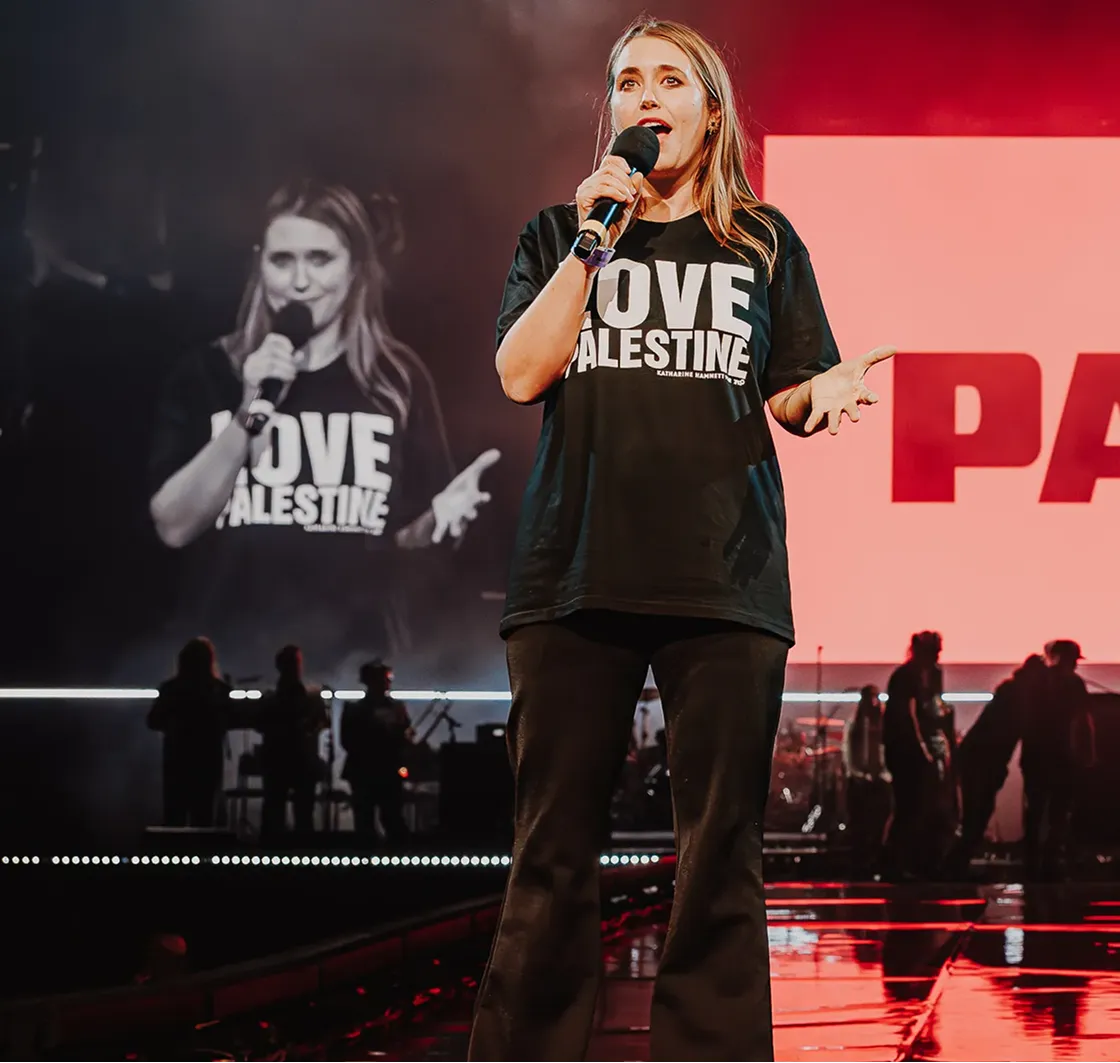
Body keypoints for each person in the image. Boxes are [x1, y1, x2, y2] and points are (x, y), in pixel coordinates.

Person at [466, 18, 895, 1063]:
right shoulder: (556, 232)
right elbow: (522, 372)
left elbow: (791, 388)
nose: (644, 94)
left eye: (669, 78)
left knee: (719, 859)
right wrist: (590, 242)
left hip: (723, 577)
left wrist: (819, 397)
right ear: (610, 110)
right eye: (625, 81)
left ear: (711, 110)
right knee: (550, 854)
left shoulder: (762, 240)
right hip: (573, 574)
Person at [147, 180, 500, 680]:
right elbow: (174, 525)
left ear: (355, 267)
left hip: (358, 663)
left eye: (320, 259)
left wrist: (439, 522)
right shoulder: (209, 374)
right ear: (260, 265)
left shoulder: (395, 380)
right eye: (282, 260)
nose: (300, 281)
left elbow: (401, 546)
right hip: (227, 665)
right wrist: (248, 412)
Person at [944, 653, 1045, 878]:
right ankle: (953, 866)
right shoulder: (1019, 695)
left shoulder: (1010, 690)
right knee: (977, 815)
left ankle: (955, 864)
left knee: (975, 814)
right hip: (985, 762)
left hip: (978, 759)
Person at [882, 631, 956, 880]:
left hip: (923, 750)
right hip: (905, 751)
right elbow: (907, 715)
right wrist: (922, 748)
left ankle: (918, 862)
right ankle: (896, 864)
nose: (937, 656)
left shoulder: (931, 675)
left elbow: (932, 709)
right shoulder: (905, 676)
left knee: (924, 807)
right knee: (909, 807)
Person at [1021, 639, 1096, 880]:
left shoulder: (1035, 681)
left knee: (1035, 811)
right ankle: (1051, 863)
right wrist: (1088, 752)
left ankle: (1031, 864)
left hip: (1034, 754)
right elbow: (1083, 720)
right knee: (1059, 812)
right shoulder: (1073, 684)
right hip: (1062, 755)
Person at [147, 636, 231, 828]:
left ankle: (175, 857)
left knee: (174, 819)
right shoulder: (219, 689)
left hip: (177, 759)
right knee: (204, 819)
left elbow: (152, 721)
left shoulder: (170, 689)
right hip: (207, 760)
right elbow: (232, 719)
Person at [256, 644, 329, 838]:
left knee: (280, 812)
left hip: (284, 760)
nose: (296, 667)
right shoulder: (307, 697)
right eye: (293, 663)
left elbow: (260, 723)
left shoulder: (273, 698)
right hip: (293, 760)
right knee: (295, 814)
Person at [340, 659, 414, 845]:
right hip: (367, 770)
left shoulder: (396, 708)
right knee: (367, 820)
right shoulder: (355, 710)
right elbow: (348, 741)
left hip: (384, 769)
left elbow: (405, 735)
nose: (388, 682)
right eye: (384, 678)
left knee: (391, 817)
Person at [842, 685, 892, 878]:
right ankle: (861, 864)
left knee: (879, 823)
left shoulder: (885, 723)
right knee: (860, 825)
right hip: (860, 781)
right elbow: (848, 753)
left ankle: (876, 861)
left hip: (881, 780)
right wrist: (857, 774)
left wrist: (885, 774)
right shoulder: (855, 724)